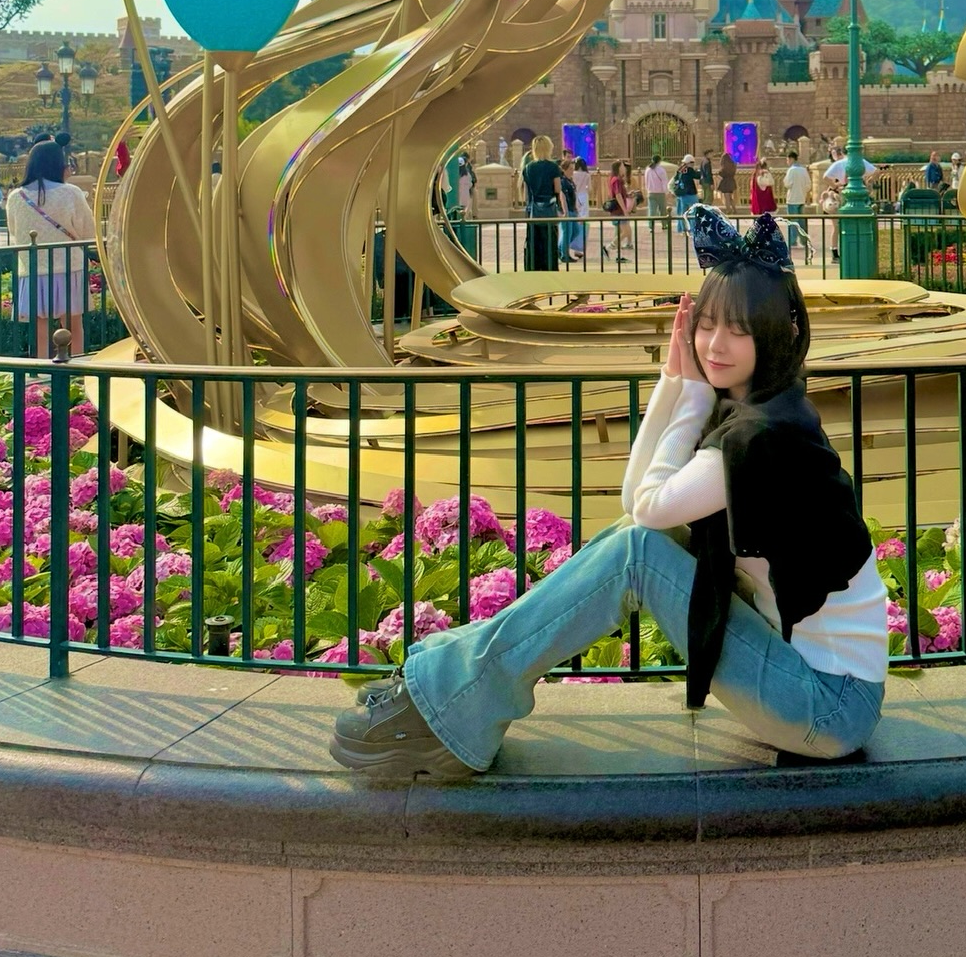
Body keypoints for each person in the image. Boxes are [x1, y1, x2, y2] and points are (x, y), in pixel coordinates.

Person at [329, 207, 887, 781]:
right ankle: (451, 682)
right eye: (706, 324)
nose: (715, 344)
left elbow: (649, 507)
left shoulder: (764, 436)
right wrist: (676, 383)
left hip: (829, 706)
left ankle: (452, 698)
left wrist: (690, 393)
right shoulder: (759, 411)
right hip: (809, 684)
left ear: (771, 335)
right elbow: (636, 506)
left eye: (739, 330)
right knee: (634, 538)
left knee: (638, 550)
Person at [5, 140, 96, 357]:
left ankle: (42, 371)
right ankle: (76, 369)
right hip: (68, 266)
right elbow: (88, 231)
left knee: (40, 330)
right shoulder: (71, 193)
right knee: (73, 326)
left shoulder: (16, 197)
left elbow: (14, 232)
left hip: (32, 268)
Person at [521, 136, 563, 269]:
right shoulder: (553, 167)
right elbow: (557, 188)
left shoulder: (528, 168)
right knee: (549, 243)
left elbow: (526, 192)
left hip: (533, 211)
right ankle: (549, 269)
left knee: (534, 243)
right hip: (549, 209)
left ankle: (534, 269)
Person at [783, 152, 811, 254]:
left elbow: (787, 184)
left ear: (791, 159)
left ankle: (792, 240)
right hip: (801, 198)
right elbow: (808, 185)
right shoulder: (803, 170)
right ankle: (804, 240)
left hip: (792, 199)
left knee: (792, 221)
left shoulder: (791, 170)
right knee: (801, 221)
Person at [604, 159, 632, 255]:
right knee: (625, 232)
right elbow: (618, 195)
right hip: (619, 211)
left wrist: (628, 195)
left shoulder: (617, 180)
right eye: (622, 166)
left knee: (623, 232)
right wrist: (625, 210)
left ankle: (616, 253)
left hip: (619, 210)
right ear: (618, 168)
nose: (624, 168)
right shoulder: (616, 180)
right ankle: (608, 248)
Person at [557, 156, 579, 263]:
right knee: (567, 232)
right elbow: (563, 196)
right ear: (564, 170)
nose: (572, 171)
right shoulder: (562, 181)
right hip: (566, 210)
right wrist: (565, 211)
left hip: (572, 209)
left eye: (573, 169)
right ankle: (564, 254)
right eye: (570, 169)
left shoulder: (570, 181)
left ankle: (559, 248)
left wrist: (576, 208)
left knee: (575, 231)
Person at [672, 153, 701, 230]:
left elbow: (675, 179)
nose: (693, 164)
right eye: (692, 163)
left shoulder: (680, 169)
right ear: (689, 162)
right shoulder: (689, 169)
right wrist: (699, 171)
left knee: (682, 212)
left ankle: (682, 228)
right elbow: (697, 176)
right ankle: (693, 228)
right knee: (694, 211)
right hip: (690, 193)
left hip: (681, 194)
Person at [571, 156, 591, 257]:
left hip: (575, 196)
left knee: (576, 220)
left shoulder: (573, 174)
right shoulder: (587, 175)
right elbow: (589, 188)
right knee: (584, 221)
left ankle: (574, 245)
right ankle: (581, 248)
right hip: (584, 196)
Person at [644, 154, 670, 222]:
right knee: (663, 210)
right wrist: (666, 192)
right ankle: (664, 224)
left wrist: (647, 190)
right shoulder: (661, 170)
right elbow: (664, 181)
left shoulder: (648, 170)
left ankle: (651, 225)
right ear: (659, 161)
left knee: (652, 211)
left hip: (651, 192)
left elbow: (646, 181)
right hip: (660, 193)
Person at [457, 153, 474, 221]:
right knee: (465, 211)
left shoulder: (456, 174)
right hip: (466, 194)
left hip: (457, 195)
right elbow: (470, 184)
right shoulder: (467, 174)